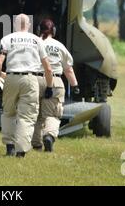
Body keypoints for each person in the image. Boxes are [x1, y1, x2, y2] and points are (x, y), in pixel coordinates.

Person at [0, 14, 53, 158]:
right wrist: (49, 86)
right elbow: (48, 68)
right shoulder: (37, 40)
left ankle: (9, 147)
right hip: (30, 79)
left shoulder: (6, 39)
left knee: (8, 113)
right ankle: (21, 150)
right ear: (30, 25)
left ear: (14, 24)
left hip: (11, 77)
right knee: (27, 116)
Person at [31, 19, 80, 152]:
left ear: (37, 30)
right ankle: (49, 136)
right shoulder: (59, 46)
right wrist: (74, 86)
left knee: (36, 115)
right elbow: (68, 69)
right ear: (54, 31)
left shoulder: (33, 44)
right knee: (52, 114)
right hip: (54, 81)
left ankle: (36, 144)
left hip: (34, 80)